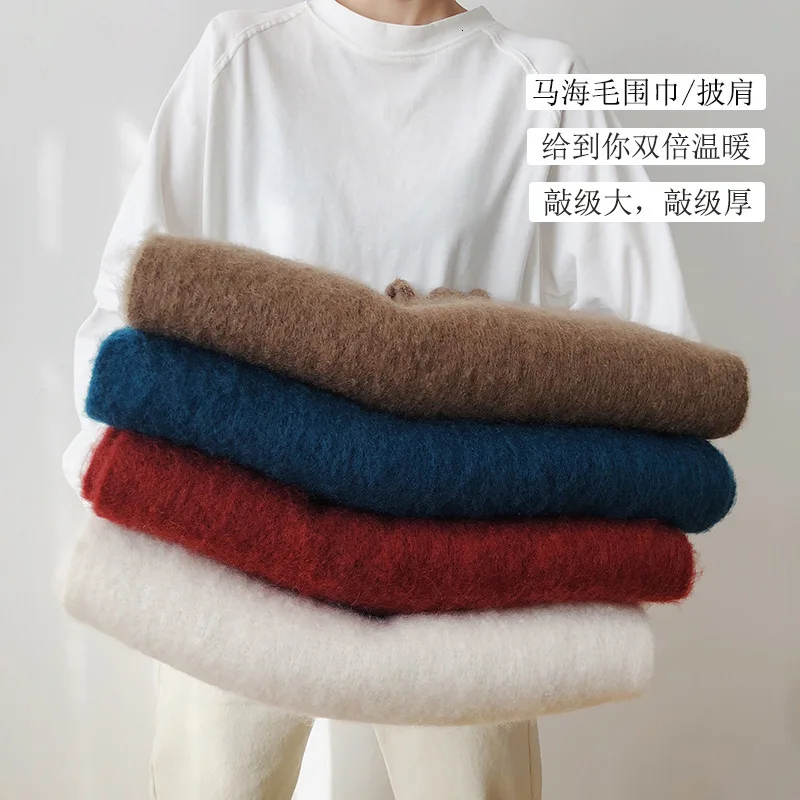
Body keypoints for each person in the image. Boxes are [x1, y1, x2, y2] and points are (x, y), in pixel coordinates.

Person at [63, 1, 699, 798]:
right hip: (244, 537)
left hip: (460, 556)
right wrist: (124, 481)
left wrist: (489, 369)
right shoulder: (245, 59)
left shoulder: (545, 84)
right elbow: (133, 295)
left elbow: (648, 346)